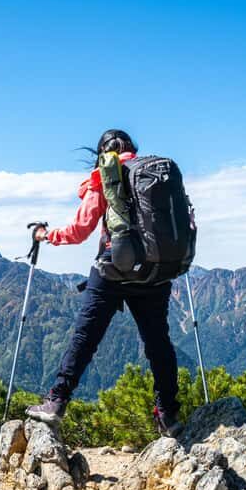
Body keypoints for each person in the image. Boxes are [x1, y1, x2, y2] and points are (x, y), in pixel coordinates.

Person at [25, 129, 183, 437]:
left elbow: (80, 229)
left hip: (113, 270)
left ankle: (56, 401)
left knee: (85, 338)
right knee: (158, 344)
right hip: (155, 273)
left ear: (104, 151)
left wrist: (46, 235)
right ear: (132, 148)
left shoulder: (106, 174)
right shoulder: (158, 174)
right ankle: (168, 415)